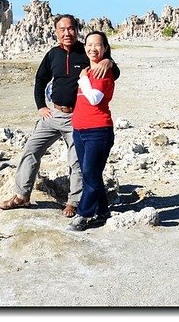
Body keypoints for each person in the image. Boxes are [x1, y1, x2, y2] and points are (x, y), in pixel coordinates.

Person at [0, 14, 120, 217]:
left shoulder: (87, 51)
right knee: (31, 150)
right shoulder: (52, 54)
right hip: (53, 113)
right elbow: (40, 79)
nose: (67, 33)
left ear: (76, 30)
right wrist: (41, 106)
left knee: (76, 162)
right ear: (55, 33)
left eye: (70, 28)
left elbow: (113, 73)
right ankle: (22, 196)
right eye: (62, 29)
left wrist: (108, 61)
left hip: (77, 117)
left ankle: (74, 202)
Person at [66, 31, 116, 232]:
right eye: (89, 44)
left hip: (98, 131)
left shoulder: (104, 72)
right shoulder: (88, 69)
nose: (92, 48)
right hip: (79, 130)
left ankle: (83, 215)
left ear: (104, 48)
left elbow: (95, 98)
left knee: (90, 174)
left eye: (97, 45)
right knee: (91, 175)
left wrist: (83, 79)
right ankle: (103, 211)